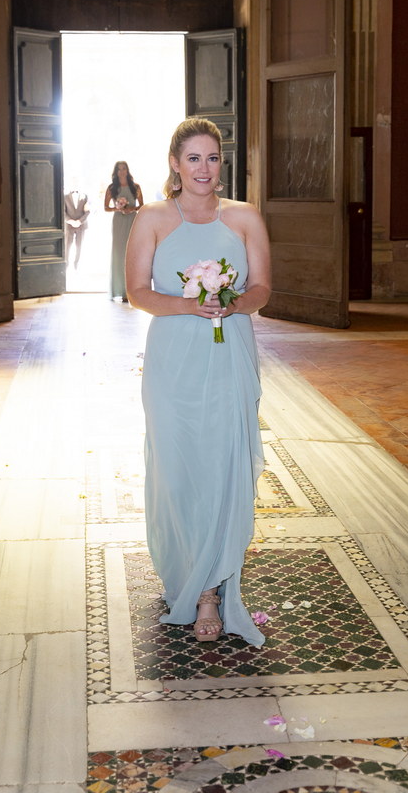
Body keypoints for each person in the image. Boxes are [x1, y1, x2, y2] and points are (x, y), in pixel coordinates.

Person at [125, 118, 271, 647]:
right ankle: (184, 565)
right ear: (174, 163)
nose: (204, 169)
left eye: (213, 159)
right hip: (173, 360)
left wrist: (230, 301)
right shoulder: (153, 218)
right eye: (194, 159)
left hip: (229, 352)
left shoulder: (246, 217)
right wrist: (191, 304)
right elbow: (138, 291)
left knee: (220, 465)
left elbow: (261, 289)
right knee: (179, 467)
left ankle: (211, 591)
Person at [104, 161, 144, 301]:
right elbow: (106, 207)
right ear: (116, 172)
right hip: (119, 221)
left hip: (132, 220)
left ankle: (131, 292)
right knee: (119, 254)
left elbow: (141, 205)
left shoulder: (135, 187)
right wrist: (118, 208)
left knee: (132, 254)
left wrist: (131, 209)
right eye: (119, 169)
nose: (122, 171)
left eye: (124, 168)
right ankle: (119, 290)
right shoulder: (112, 188)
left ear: (127, 170)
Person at [64, 185, 90, 269]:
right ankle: (66, 263)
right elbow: (62, 211)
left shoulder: (85, 196)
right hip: (69, 225)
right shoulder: (65, 196)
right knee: (67, 245)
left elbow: (87, 211)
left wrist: (79, 221)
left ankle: (76, 264)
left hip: (81, 225)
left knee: (79, 245)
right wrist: (70, 221)